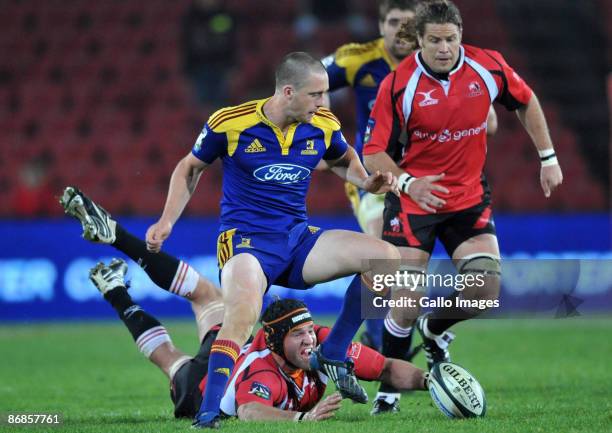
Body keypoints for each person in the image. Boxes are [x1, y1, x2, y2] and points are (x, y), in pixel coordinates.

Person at [144, 52, 402, 428]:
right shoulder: (229, 122)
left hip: (297, 239)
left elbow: (343, 159)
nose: (323, 102)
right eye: (315, 94)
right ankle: (209, 412)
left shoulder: (323, 124)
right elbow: (189, 168)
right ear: (287, 92)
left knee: (387, 259)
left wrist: (367, 181)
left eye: (325, 94)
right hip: (246, 242)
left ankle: (333, 350)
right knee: (243, 314)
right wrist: (167, 221)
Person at [363, 0, 563, 385]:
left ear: (461, 36)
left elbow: (526, 100)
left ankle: (433, 328)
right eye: (434, 40)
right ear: (418, 40)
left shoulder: (487, 66)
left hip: (468, 199)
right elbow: (373, 152)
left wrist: (548, 157)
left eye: (451, 39)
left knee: (484, 292)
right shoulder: (398, 85)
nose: (444, 48)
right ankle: (389, 390)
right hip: (412, 203)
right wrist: (408, 182)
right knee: (404, 302)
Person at [323, 0, 498, 414]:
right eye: (392, 22)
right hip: (377, 179)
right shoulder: (357, 59)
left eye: (406, 23)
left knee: (405, 290)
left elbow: (488, 116)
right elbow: (311, 81)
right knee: (385, 271)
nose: (399, 31)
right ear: (382, 25)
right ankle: (375, 352)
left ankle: (385, 341)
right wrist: (323, 133)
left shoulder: (448, 66)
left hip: (434, 184)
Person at [87, 259, 429, 421]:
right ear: (277, 344)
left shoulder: (325, 343)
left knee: (208, 298)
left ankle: (128, 253)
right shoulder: (266, 374)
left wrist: (431, 380)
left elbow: (384, 367)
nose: (310, 340)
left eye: (310, 330)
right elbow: (250, 411)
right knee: (169, 357)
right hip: (203, 389)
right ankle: (117, 292)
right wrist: (302, 420)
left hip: (232, 353)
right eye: (299, 334)